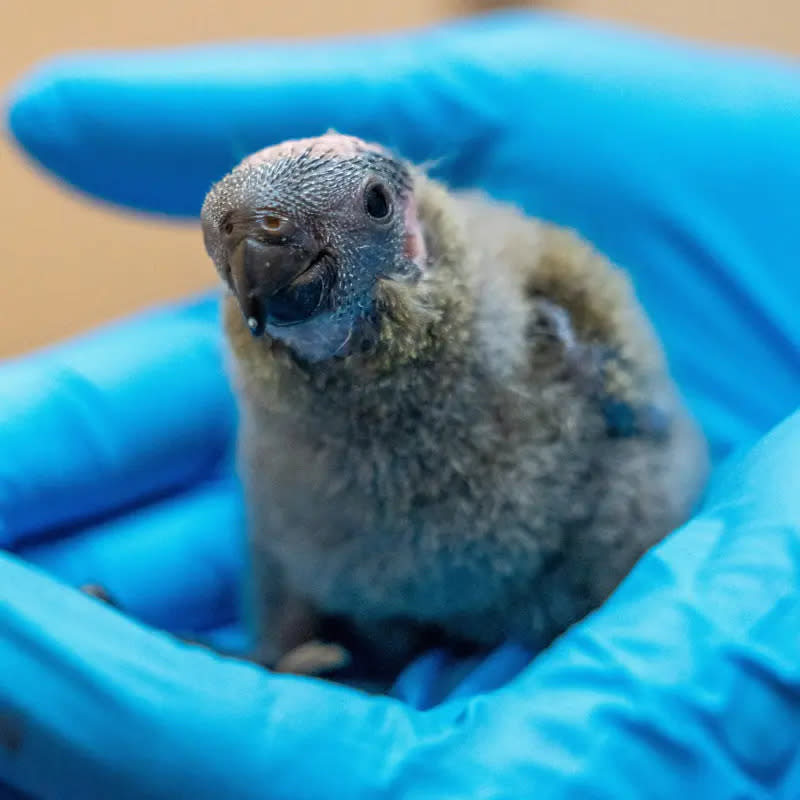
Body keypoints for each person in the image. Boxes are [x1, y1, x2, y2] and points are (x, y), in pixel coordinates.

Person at [2, 10, 800, 799]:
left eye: (372, 211)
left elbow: (643, 438)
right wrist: (283, 645)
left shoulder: (549, 302)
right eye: (234, 251)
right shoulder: (266, 383)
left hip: (576, 585)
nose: (269, 251)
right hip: (358, 598)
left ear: (412, 221)